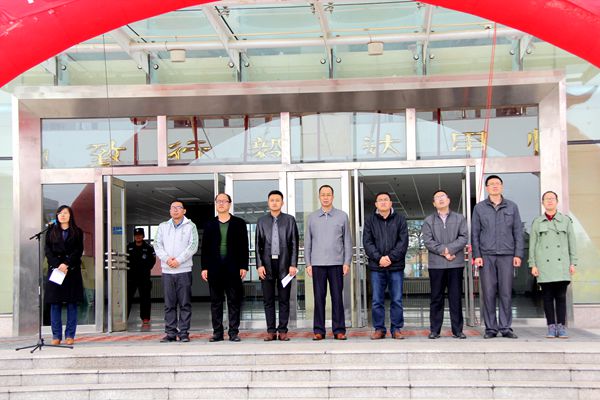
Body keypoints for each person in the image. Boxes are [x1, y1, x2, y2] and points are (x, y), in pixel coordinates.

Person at [472, 175, 524, 339]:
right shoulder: (479, 208)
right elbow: (475, 233)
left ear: (501, 186)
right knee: (488, 292)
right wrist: (477, 255)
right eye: (491, 184)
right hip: (486, 255)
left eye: (497, 183)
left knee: (506, 292)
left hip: (507, 255)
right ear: (487, 188)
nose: (494, 186)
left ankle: (505, 327)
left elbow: (518, 232)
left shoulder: (512, 207)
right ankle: (491, 329)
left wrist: (518, 254)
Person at [305, 184, 352, 340]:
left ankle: (339, 330)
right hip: (317, 264)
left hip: (337, 263)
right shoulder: (312, 217)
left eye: (328, 194)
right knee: (319, 298)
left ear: (333, 197)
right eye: (323, 195)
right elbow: (308, 242)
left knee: (337, 298)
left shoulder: (342, 216)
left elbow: (347, 241)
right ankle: (319, 330)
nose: (325, 197)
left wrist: (346, 262)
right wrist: (308, 263)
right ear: (319, 197)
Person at [201, 193, 249, 342]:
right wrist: (204, 267)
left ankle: (233, 332)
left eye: (224, 201)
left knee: (234, 301)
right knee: (216, 302)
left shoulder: (239, 223)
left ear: (229, 204)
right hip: (214, 268)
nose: (221, 204)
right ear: (216, 204)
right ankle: (217, 332)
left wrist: (244, 266)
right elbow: (205, 248)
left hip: (233, 268)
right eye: (218, 201)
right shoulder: (210, 224)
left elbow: (244, 246)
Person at [529, 191, 577, 338]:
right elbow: (532, 245)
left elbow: (572, 243)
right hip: (544, 266)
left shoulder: (566, 221)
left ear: (557, 201)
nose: (549, 201)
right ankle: (551, 326)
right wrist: (533, 264)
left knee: (561, 297)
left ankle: (561, 327)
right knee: (547, 297)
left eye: (552, 198)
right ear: (542, 202)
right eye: (546, 199)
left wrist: (573, 262)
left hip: (562, 265)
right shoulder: (537, 222)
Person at [421, 190, 469, 339]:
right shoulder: (428, 220)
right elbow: (428, 241)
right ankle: (435, 330)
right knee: (436, 298)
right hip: (436, 265)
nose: (440, 199)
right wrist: (444, 251)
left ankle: (458, 330)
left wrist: (449, 250)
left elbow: (463, 237)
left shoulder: (460, 218)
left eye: (443, 197)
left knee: (455, 298)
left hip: (455, 264)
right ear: (434, 203)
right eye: (437, 198)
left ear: (448, 200)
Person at [363, 191, 408, 340]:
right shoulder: (370, 220)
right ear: (376, 204)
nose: (383, 202)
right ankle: (379, 329)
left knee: (397, 299)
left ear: (390, 203)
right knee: (377, 300)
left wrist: (389, 258)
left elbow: (403, 243)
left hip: (396, 267)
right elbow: (367, 242)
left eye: (386, 199)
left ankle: (396, 329)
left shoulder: (400, 219)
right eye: (380, 200)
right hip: (377, 267)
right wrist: (379, 258)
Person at [256, 190, 299, 341]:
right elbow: (258, 245)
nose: (274, 202)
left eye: (277, 200)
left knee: (284, 299)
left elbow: (294, 243)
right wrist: (259, 265)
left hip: (285, 264)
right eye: (272, 200)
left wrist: (293, 264)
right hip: (266, 265)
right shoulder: (261, 221)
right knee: (268, 300)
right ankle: (271, 331)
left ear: (282, 203)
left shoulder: (289, 220)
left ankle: (283, 331)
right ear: (268, 203)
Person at [154, 200, 198, 342]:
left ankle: (184, 333)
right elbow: (157, 244)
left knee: (185, 304)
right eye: (173, 207)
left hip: (184, 271)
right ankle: (171, 333)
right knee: (169, 305)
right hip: (167, 272)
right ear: (170, 211)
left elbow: (193, 246)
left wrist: (178, 260)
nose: (175, 210)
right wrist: (167, 259)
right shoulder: (163, 226)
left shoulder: (191, 226)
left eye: (178, 207)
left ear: (184, 211)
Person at [44, 205, 84, 346]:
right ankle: (56, 335)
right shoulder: (51, 231)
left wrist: (66, 264)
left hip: (71, 271)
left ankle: (70, 335)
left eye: (65, 213)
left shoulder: (77, 232)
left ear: (70, 215)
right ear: (57, 216)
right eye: (60, 213)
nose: (62, 215)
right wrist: (58, 265)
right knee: (55, 303)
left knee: (72, 304)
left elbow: (78, 250)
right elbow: (48, 251)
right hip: (56, 271)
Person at [126, 227, 156, 326]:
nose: (138, 237)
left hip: (144, 277)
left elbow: (152, 260)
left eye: (140, 235)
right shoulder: (129, 247)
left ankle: (145, 318)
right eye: (136, 235)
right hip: (131, 277)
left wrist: (145, 269)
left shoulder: (148, 247)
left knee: (145, 298)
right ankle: (124, 317)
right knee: (127, 298)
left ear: (143, 236)